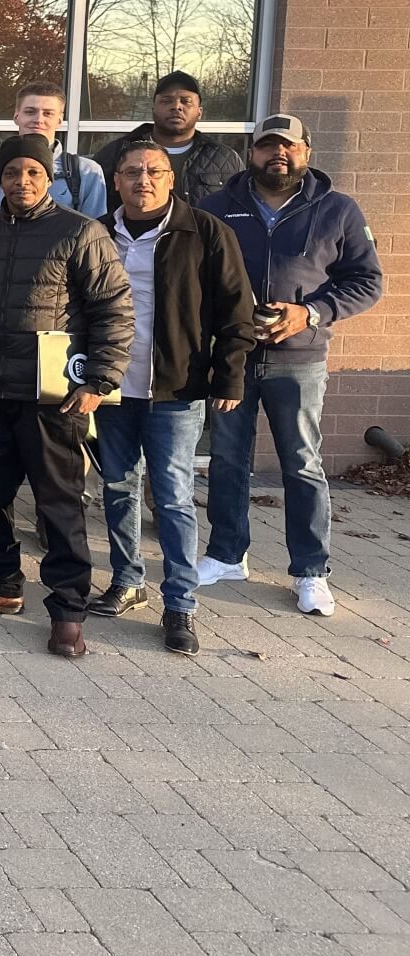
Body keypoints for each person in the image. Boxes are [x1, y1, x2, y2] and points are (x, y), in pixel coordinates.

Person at [0, 135, 134, 658]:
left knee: (59, 505)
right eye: (11, 174)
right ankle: (2, 586)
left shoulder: (79, 232)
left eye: (32, 173)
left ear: (48, 179)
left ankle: (69, 610)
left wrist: (99, 381)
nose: (21, 182)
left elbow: (113, 310)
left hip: (53, 399)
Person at [196, 113, 384, 617]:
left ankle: (309, 571)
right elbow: (193, 278)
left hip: (299, 361)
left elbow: (367, 282)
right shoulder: (217, 208)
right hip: (232, 357)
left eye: (288, 147)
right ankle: (226, 555)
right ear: (251, 152)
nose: (277, 155)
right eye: (267, 146)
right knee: (227, 459)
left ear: (306, 152)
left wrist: (310, 313)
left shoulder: (337, 210)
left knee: (301, 463)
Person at [88, 141, 257, 653]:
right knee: (117, 488)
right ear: (116, 180)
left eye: (155, 171)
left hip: (177, 388)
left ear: (171, 179)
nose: (144, 179)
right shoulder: (95, 232)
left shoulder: (205, 232)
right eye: (133, 171)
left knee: (174, 498)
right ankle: (128, 580)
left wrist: (229, 377)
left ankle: (180, 604)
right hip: (110, 388)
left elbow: (236, 311)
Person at [0, 82, 108, 222]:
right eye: (30, 112)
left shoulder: (86, 173)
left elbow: (94, 239)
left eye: (48, 113)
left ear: (60, 120)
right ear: (16, 116)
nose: (38, 119)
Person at [92, 72, 243, 211]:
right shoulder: (117, 153)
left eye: (186, 101)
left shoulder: (225, 158)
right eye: (166, 101)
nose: (176, 107)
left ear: (199, 112)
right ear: (153, 109)